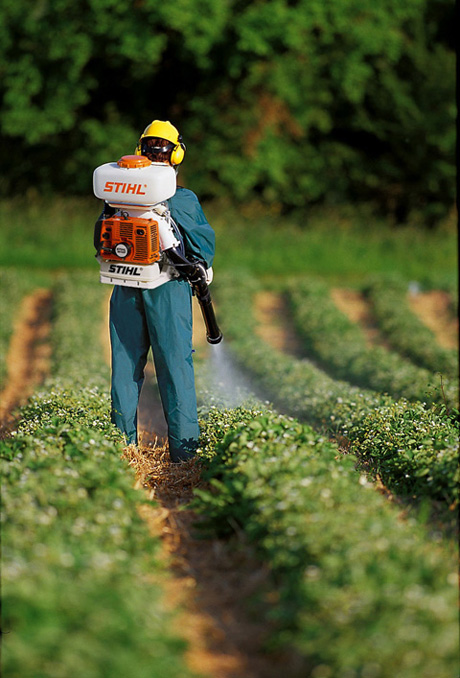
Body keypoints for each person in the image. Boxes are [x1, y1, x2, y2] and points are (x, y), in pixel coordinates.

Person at [95, 120, 215, 462]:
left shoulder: (116, 192)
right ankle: (184, 454)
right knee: (175, 367)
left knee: (125, 368)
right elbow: (202, 247)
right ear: (176, 153)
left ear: (140, 150)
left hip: (123, 285)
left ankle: (123, 449)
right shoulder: (182, 197)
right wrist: (200, 268)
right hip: (168, 288)